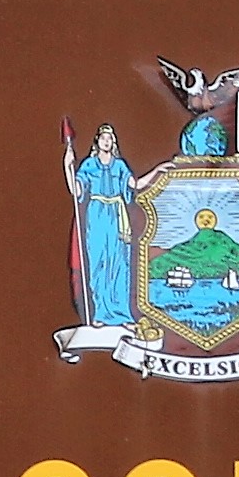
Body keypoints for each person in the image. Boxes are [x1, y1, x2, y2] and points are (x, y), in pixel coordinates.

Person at [69, 128, 133, 330]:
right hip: (97, 214)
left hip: (117, 213)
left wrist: (157, 172)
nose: (107, 142)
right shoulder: (89, 165)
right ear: (97, 141)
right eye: (104, 138)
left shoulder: (120, 165)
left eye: (110, 139)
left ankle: (122, 314)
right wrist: (67, 165)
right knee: (98, 262)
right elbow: (77, 189)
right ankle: (100, 314)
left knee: (120, 263)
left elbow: (134, 184)